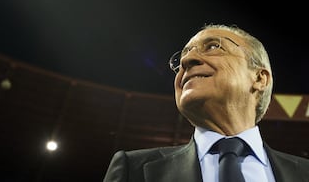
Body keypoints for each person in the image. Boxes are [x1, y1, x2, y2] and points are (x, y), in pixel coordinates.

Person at [103, 24, 309, 182]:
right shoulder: (134, 169)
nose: (186, 61)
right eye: (182, 57)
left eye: (213, 46)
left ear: (259, 78)